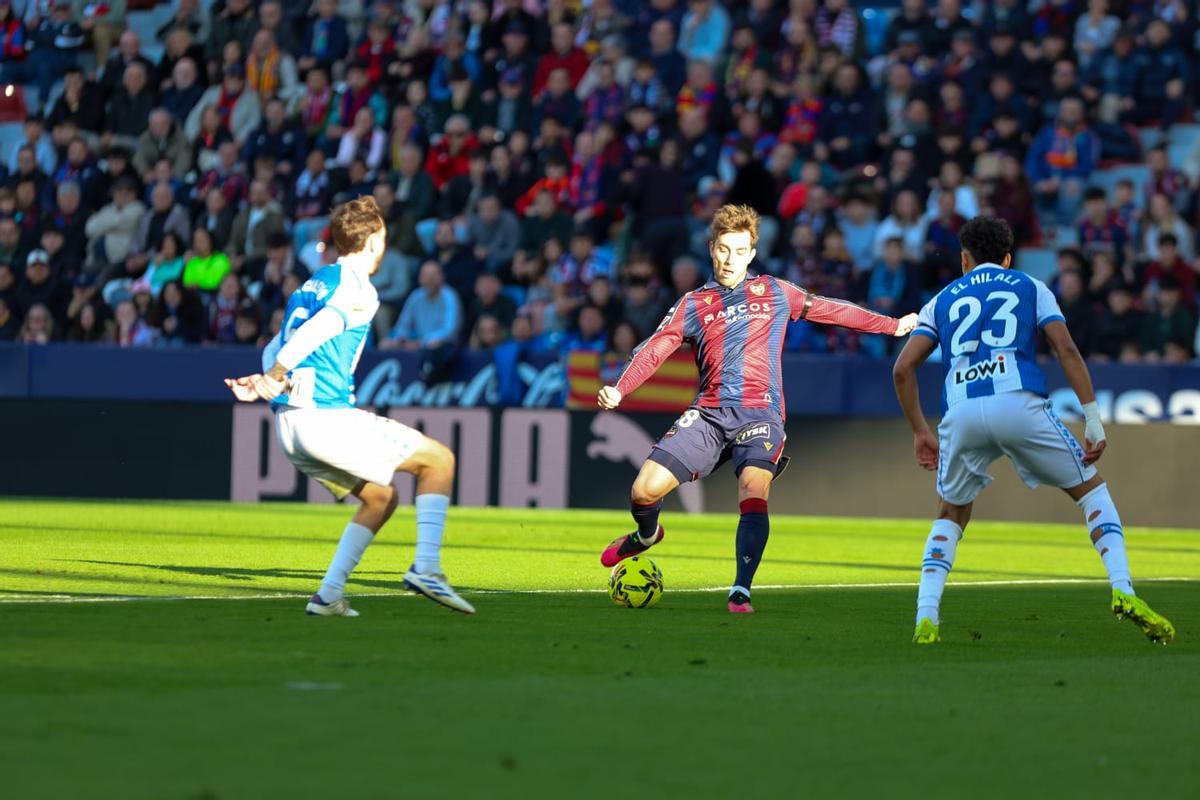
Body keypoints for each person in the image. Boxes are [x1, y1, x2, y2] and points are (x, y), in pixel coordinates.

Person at [595, 204, 917, 613]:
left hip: (760, 414)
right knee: (642, 490)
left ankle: (741, 589)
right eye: (723, 250)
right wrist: (622, 389)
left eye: (739, 251)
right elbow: (656, 347)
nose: (730, 259)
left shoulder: (776, 292)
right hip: (710, 414)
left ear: (752, 253)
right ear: (712, 248)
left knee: (752, 488)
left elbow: (832, 309)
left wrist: (894, 325)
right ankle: (645, 536)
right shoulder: (694, 303)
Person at [891, 216, 1174, 645]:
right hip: (1018, 403)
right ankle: (1123, 589)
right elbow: (1066, 348)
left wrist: (919, 431)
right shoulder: (1030, 286)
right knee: (1092, 492)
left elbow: (902, 369)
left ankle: (926, 618)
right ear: (1007, 257)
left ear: (964, 259)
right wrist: (1093, 418)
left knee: (951, 513)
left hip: (961, 412)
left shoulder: (942, 300)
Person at [224, 196, 474, 617]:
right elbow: (317, 331)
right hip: (324, 418)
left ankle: (328, 595)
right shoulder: (359, 289)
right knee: (440, 462)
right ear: (374, 241)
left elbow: (277, 341)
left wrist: (264, 376)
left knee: (380, 497)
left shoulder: (313, 282)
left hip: (290, 427)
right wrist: (274, 375)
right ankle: (427, 568)